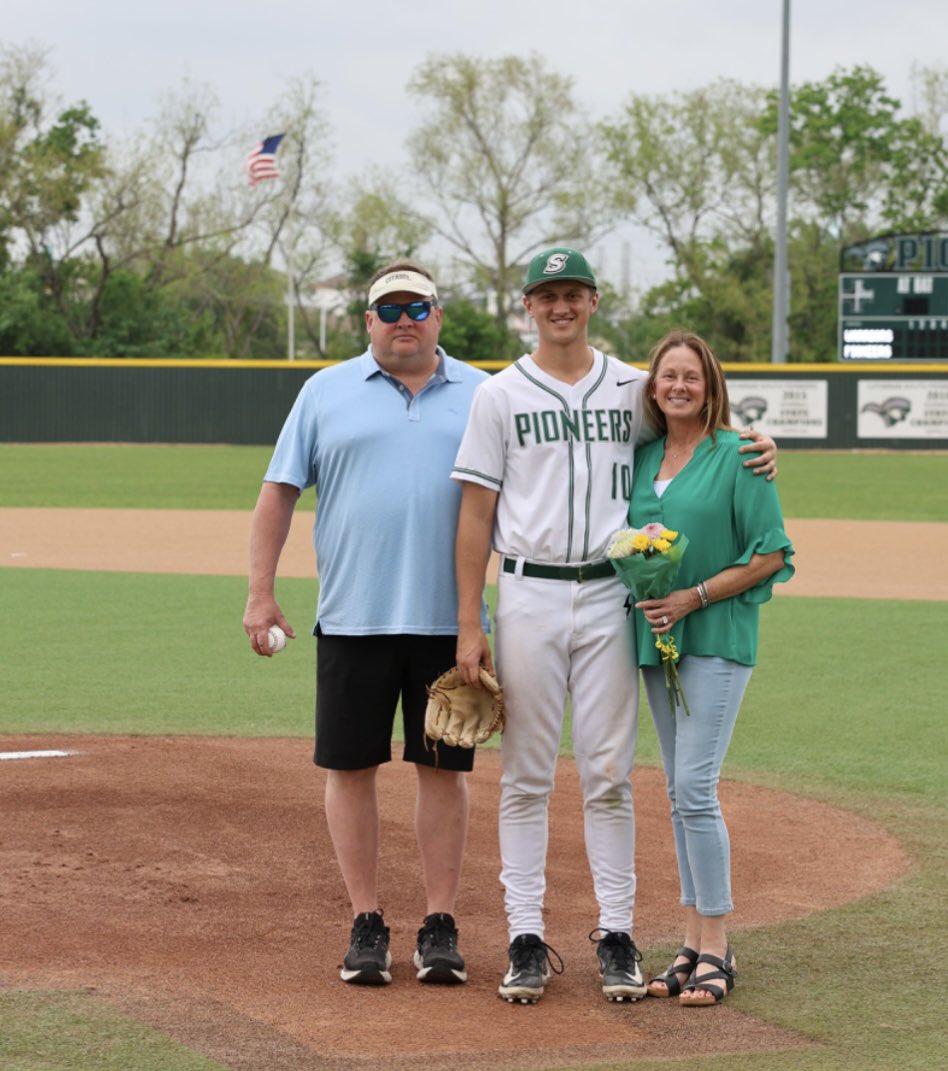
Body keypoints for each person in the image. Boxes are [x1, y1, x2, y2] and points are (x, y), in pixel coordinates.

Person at [451, 248, 777, 1004]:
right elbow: (474, 513)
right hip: (527, 592)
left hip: (611, 597)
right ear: (527, 305)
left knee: (609, 775)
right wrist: (470, 621)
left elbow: (702, 433)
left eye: (572, 293)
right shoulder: (499, 395)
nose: (559, 305)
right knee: (526, 775)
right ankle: (525, 936)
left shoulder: (635, 387)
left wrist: (764, 443)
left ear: (593, 300)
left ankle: (617, 934)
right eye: (546, 294)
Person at [243, 261, 489, 988]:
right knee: (350, 765)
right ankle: (367, 921)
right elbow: (277, 494)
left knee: (443, 770)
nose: (404, 318)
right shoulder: (325, 392)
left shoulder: (485, 394)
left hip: (452, 623)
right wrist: (261, 592)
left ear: (440, 314)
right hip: (353, 617)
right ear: (368, 320)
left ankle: (439, 923)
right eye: (390, 309)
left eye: (418, 306)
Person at [630, 329, 794, 1006]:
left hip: (717, 636)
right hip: (657, 644)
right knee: (677, 792)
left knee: (695, 789)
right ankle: (693, 941)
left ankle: (719, 945)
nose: (678, 386)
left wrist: (693, 596)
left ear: (710, 384)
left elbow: (771, 554)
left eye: (691, 376)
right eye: (668, 375)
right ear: (653, 385)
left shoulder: (741, 455)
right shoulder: (640, 457)